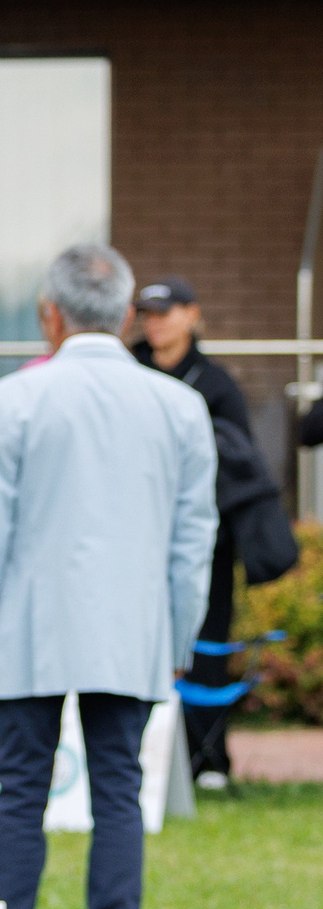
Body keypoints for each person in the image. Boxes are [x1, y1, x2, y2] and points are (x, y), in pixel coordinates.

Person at [0, 246, 217, 909]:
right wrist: (182, 635)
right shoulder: (178, 404)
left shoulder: (17, 399)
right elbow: (195, 538)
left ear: (50, 314)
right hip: (133, 628)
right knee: (119, 792)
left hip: (33, 626)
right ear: (128, 315)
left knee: (21, 793)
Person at [131, 278, 271, 788]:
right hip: (139, 536)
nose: (155, 322)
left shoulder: (215, 383)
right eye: (147, 312)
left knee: (206, 643)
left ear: (192, 315)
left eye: (165, 312)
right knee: (141, 642)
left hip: (203, 538)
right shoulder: (131, 372)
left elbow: (240, 462)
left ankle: (208, 760)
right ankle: (148, 763)